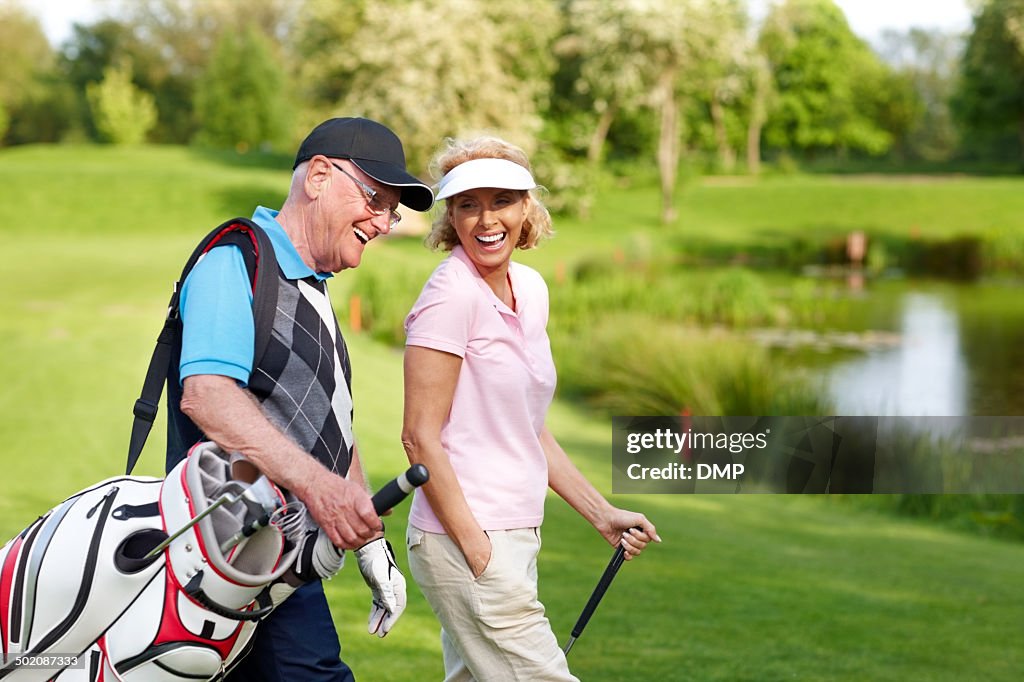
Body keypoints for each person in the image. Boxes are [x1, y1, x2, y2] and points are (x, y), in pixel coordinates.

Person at [170, 117, 434, 681]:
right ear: (317, 176)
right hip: (233, 554)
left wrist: (369, 543)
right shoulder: (235, 262)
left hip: (277, 563)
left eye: (393, 210)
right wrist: (323, 491)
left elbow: (329, 425)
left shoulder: (309, 287)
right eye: (376, 200)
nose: (385, 223)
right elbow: (208, 397)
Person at [401, 136, 660, 681]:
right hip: (466, 537)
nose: (485, 218)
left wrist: (600, 513)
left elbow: (529, 427)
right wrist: (477, 551)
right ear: (451, 216)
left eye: (502, 201)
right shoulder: (451, 297)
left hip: (516, 533)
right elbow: (419, 439)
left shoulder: (531, 288)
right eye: (468, 204)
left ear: (526, 210)